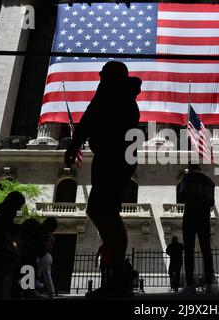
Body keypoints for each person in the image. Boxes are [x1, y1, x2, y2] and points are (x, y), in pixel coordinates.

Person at [65, 61, 141, 298]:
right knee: (105, 211)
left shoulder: (110, 94)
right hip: (119, 159)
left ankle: (121, 273)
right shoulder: (125, 96)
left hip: (111, 158)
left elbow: (88, 121)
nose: (100, 78)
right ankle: (121, 272)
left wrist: (74, 146)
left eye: (103, 74)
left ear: (110, 76)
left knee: (100, 210)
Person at [178, 163, 215, 294]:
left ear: (189, 168)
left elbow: (181, 196)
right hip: (204, 217)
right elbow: (212, 202)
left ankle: (190, 284)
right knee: (206, 250)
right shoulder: (209, 182)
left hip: (190, 216)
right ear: (199, 169)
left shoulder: (187, 178)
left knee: (189, 250)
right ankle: (209, 283)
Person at [37, 217, 58, 298]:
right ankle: (51, 291)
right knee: (47, 274)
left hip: (42, 256)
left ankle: (34, 290)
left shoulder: (43, 233)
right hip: (49, 256)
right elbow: (50, 247)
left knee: (37, 273)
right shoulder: (52, 236)